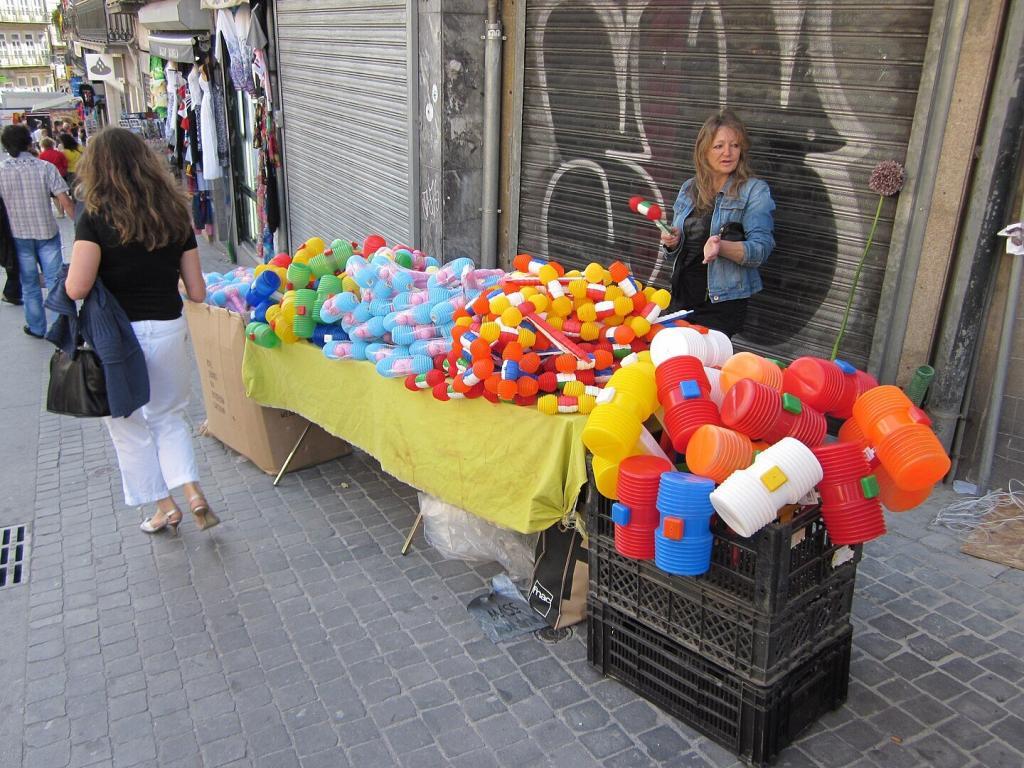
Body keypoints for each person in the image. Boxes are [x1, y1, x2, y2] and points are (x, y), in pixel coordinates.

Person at [64, 127, 219, 535]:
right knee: (169, 416)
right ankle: (193, 491)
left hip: (118, 338)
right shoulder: (173, 211)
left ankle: (164, 508)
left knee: (128, 424)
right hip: (168, 327)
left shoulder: (94, 218)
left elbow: (77, 287)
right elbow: (198, 292)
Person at [660, 109, 775, 337]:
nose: (728, 153)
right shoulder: (688, 188)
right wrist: (671, 243)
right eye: (719, 146)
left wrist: (722, 247)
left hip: (721, 305)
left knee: (707, 369)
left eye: (734, 145)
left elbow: (761, 249)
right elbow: (676, 253)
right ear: (704, 151)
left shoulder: (754, 190)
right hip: (681, 297)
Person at [0, 124, 75, 338]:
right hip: (47, 232)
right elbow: (65, 201)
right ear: (28, 142)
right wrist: (81, 227)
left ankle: (36, 327)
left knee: (29, 283)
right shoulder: (45, 168)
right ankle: (59, 328)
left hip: (18, 234)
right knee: (54, 281)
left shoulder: (1, 170)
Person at [59, 132, 83, 202]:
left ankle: (77, 207)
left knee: (75, 192)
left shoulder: (64, 152)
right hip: (83, 171)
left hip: (71, 172)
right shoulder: (80, 148)